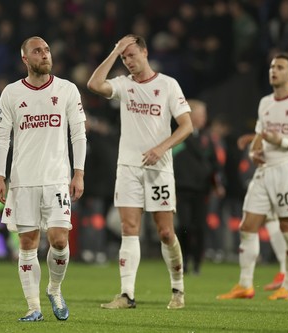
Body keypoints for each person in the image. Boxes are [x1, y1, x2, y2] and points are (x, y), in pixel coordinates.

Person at [87, 34, 193, 310]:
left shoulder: (168, 85)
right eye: (124, 57)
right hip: (128, 167)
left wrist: (161, 147)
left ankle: (178, 289)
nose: (128, 61)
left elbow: (186, 126)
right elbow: (94, 84)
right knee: (128, 228)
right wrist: (114, 51)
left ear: (145, 52)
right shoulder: (123, 85)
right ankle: (126, 295)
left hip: (159, 168)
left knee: (166, 233)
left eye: (132, 54)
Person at [0, 36, 86, 322]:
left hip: (57, 178)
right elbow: (2, 138)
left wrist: (79, 172)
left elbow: (78, 134)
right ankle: (33, 307)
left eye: (46, 50)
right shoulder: (10, 93)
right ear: (25, 59)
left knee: (59, 241)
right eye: (37, 51)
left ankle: (54, 289)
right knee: (28, 243)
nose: (44, 54)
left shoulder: (67, 89)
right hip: (23, 180)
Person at [217, 53, 288, 301]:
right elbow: (261, 135)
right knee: (247, 225)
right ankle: (245, 285)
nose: (274, 70)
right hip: (264, 172)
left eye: (280, 67)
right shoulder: (265, 103)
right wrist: (254, 151)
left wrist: (281, 141)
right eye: (272, 66)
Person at [173, 99, 224, 275]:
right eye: (201, 114)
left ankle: (197, 262)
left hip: (202, 189)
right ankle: (184, 259)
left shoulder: (206, 138)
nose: (204, 118)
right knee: (185, 225)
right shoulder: (177, 134)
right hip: (183, 187)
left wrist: (217, 184)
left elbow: (214, 164)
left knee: (200, 226)